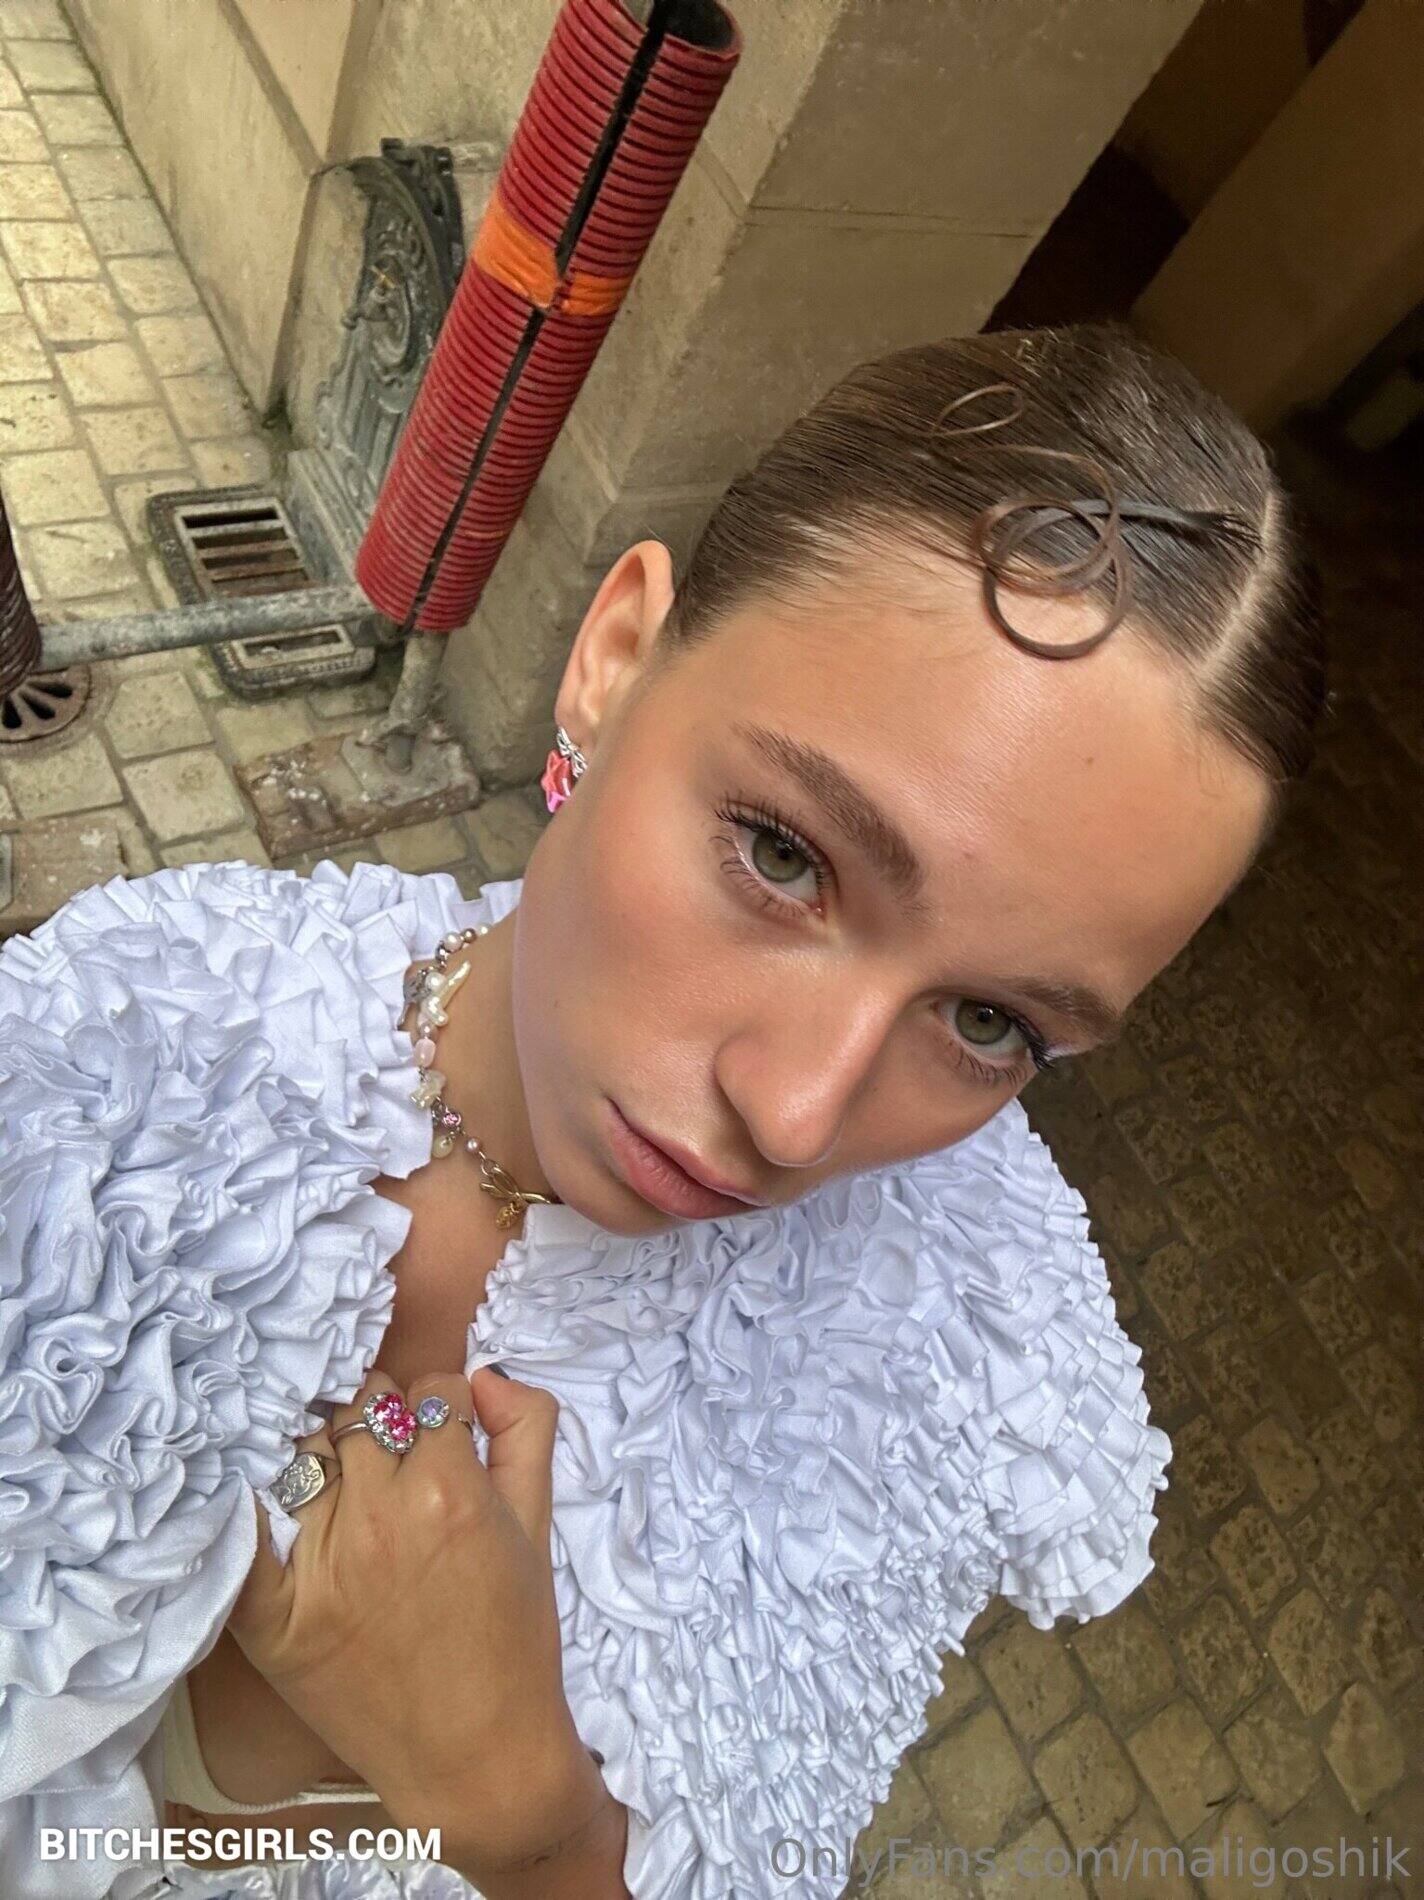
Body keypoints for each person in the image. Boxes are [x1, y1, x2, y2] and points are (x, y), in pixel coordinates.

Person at [0, 320, 1326, 1900]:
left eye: (994, 1025)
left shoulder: (952, 1371)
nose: (799, 1115)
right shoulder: (114, 1041)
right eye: (785, 854)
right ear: (614, 661)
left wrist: (534, 1827)